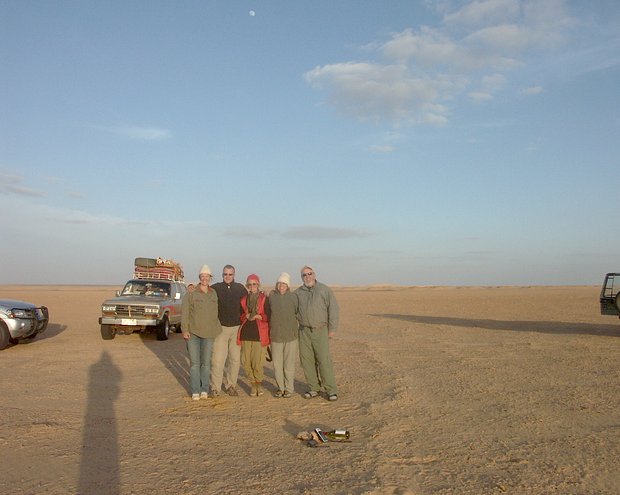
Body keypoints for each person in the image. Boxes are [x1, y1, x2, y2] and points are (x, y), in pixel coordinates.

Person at [295, 265, 340, 401]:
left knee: (323, 360)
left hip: (321, 330)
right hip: (304, 331)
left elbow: (333, 309)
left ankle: (331, 389)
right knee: (307, 360)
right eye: (304, 275)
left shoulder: (324, 290)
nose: (307, 277)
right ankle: (314, 387)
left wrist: (332, 329)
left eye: (310, 274)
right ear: (301, 277)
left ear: (314, 274)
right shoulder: (298, 293)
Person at [181, 265, 222, 400]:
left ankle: (204, 389)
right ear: (199, 277)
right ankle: (195, 390)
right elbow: (185, 312)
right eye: (202, 276)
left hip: (209, 333)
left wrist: (216, 329)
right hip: (193, 333)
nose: (205, 278)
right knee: (194, 364)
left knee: (206, 363)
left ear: (210, 278)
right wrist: (185, 330)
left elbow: (216, 312)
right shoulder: (191, 293)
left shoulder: (213, 293)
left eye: (207, 276)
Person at [210, 265, 247, 397]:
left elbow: (247, 305)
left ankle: (231, 385)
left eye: (230, 274)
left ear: (234, 275)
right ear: (222, 274)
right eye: (225, 274)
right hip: (221, 329)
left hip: (236, 329)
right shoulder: (216, 288)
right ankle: (215, 388)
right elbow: (203, 292)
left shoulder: (240, 289)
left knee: (235, 360)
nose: (227, 276)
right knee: (218, 360)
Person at [238, 274, 270, 397]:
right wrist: (244, 316)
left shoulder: (264, 299)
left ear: (258, 285)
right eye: (250, 284)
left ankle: (259, 384)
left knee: (257, 363)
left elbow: (268, 315)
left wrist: (259, 316)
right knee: (245, 361)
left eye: (254, 284)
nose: (252, 286)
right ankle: (252, 384)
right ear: (247, 286)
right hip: (246, 333)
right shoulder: (243, 299)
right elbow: (240, 315)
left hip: (259, 333)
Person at [268, 272, 299, 398]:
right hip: (275, 336)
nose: (282, 286)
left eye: (284, 284)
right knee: (277, 364)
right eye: (280, 283)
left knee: (289, 365)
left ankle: (289, 388)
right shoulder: (271, 297)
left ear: (288, 285)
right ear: (277, 284)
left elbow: (298, 312)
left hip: (290, 336)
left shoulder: (293, 297)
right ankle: (280, 388)